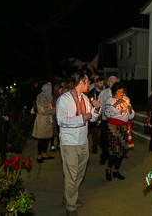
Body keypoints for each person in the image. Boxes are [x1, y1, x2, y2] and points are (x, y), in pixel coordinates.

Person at [57, 71, 101, 216]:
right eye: (87, 82)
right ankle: (71, 207)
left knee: (79, 174)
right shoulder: (64, 99)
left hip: (83, 141)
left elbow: (93, 119)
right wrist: (82, 118)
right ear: (81, 82)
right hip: (69, 142)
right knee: (71, 174)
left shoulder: (85, 99)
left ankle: (69, 195)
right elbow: (61, 121)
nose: (89, 84)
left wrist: (96, 109)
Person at [104, 82, 134, 180]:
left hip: (123, 127)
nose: (121, 93)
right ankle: (109, 169)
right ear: (114, 91)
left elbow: (131, 116)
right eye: (119, 91)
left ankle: (116, 170)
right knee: (114, 150)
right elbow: (107, 114)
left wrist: (130, 110)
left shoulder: (126, 99)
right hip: (113, 127)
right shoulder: (110, 100)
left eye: (122, 91)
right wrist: (114, 105)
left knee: (121, 151)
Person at [32, 83, 56, 163]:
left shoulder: (49, 97)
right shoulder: (40, 97)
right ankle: (39, 155)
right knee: (42, 138)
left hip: (48, 120)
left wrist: (51, 110)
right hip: (42, 120)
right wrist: (53, 110)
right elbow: (42, 110)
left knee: (47, 138)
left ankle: (44, 154)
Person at [98, 75, 118, 164]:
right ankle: (104, 155)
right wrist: (98, 119)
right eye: (111, 82)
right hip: (105, 120)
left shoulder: (120, 93)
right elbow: (99, 106)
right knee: (104, 138)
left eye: (115, 82)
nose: (113, 83)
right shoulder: (103, 93)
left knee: (114, 139)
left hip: (116, 120)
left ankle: (112, 157)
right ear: (108, 83)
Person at [87, 77, 105, 153]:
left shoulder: (104, 93)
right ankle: (95, 147)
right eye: (100, 83)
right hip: (95, 116)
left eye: (103, 83)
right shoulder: (91, 93)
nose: (102, 85)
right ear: (96, 83)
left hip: (103, 115)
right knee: (95, 133)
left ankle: (100, 143)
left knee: (103, 133)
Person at [50, 84, 63, 151]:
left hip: (59, 117)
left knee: (59, 131)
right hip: (53, 117)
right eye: (60, 90)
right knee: (53, 132)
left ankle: (58, 144)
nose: (61, 91)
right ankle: (52, 145)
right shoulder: (52, 98)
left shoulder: (61, 97)